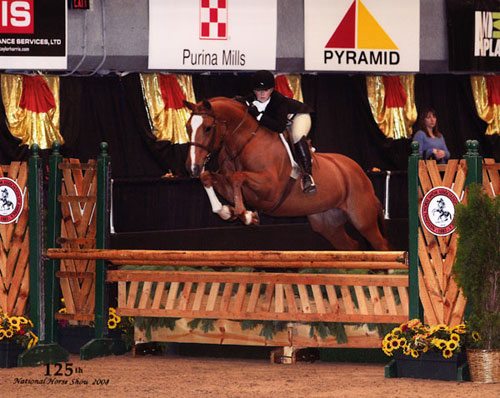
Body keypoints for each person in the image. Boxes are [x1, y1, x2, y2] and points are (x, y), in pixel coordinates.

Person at [237, 70, 316, 194]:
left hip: (298, 117)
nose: (262, 94)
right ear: (254, 91)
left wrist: (258, 116)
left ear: (272, 89)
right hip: (281, 121)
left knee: (296, 137)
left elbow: (279, 127)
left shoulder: (279, 101)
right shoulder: (251, 99)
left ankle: (307, 176)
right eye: (258, 90)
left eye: (266, 90)